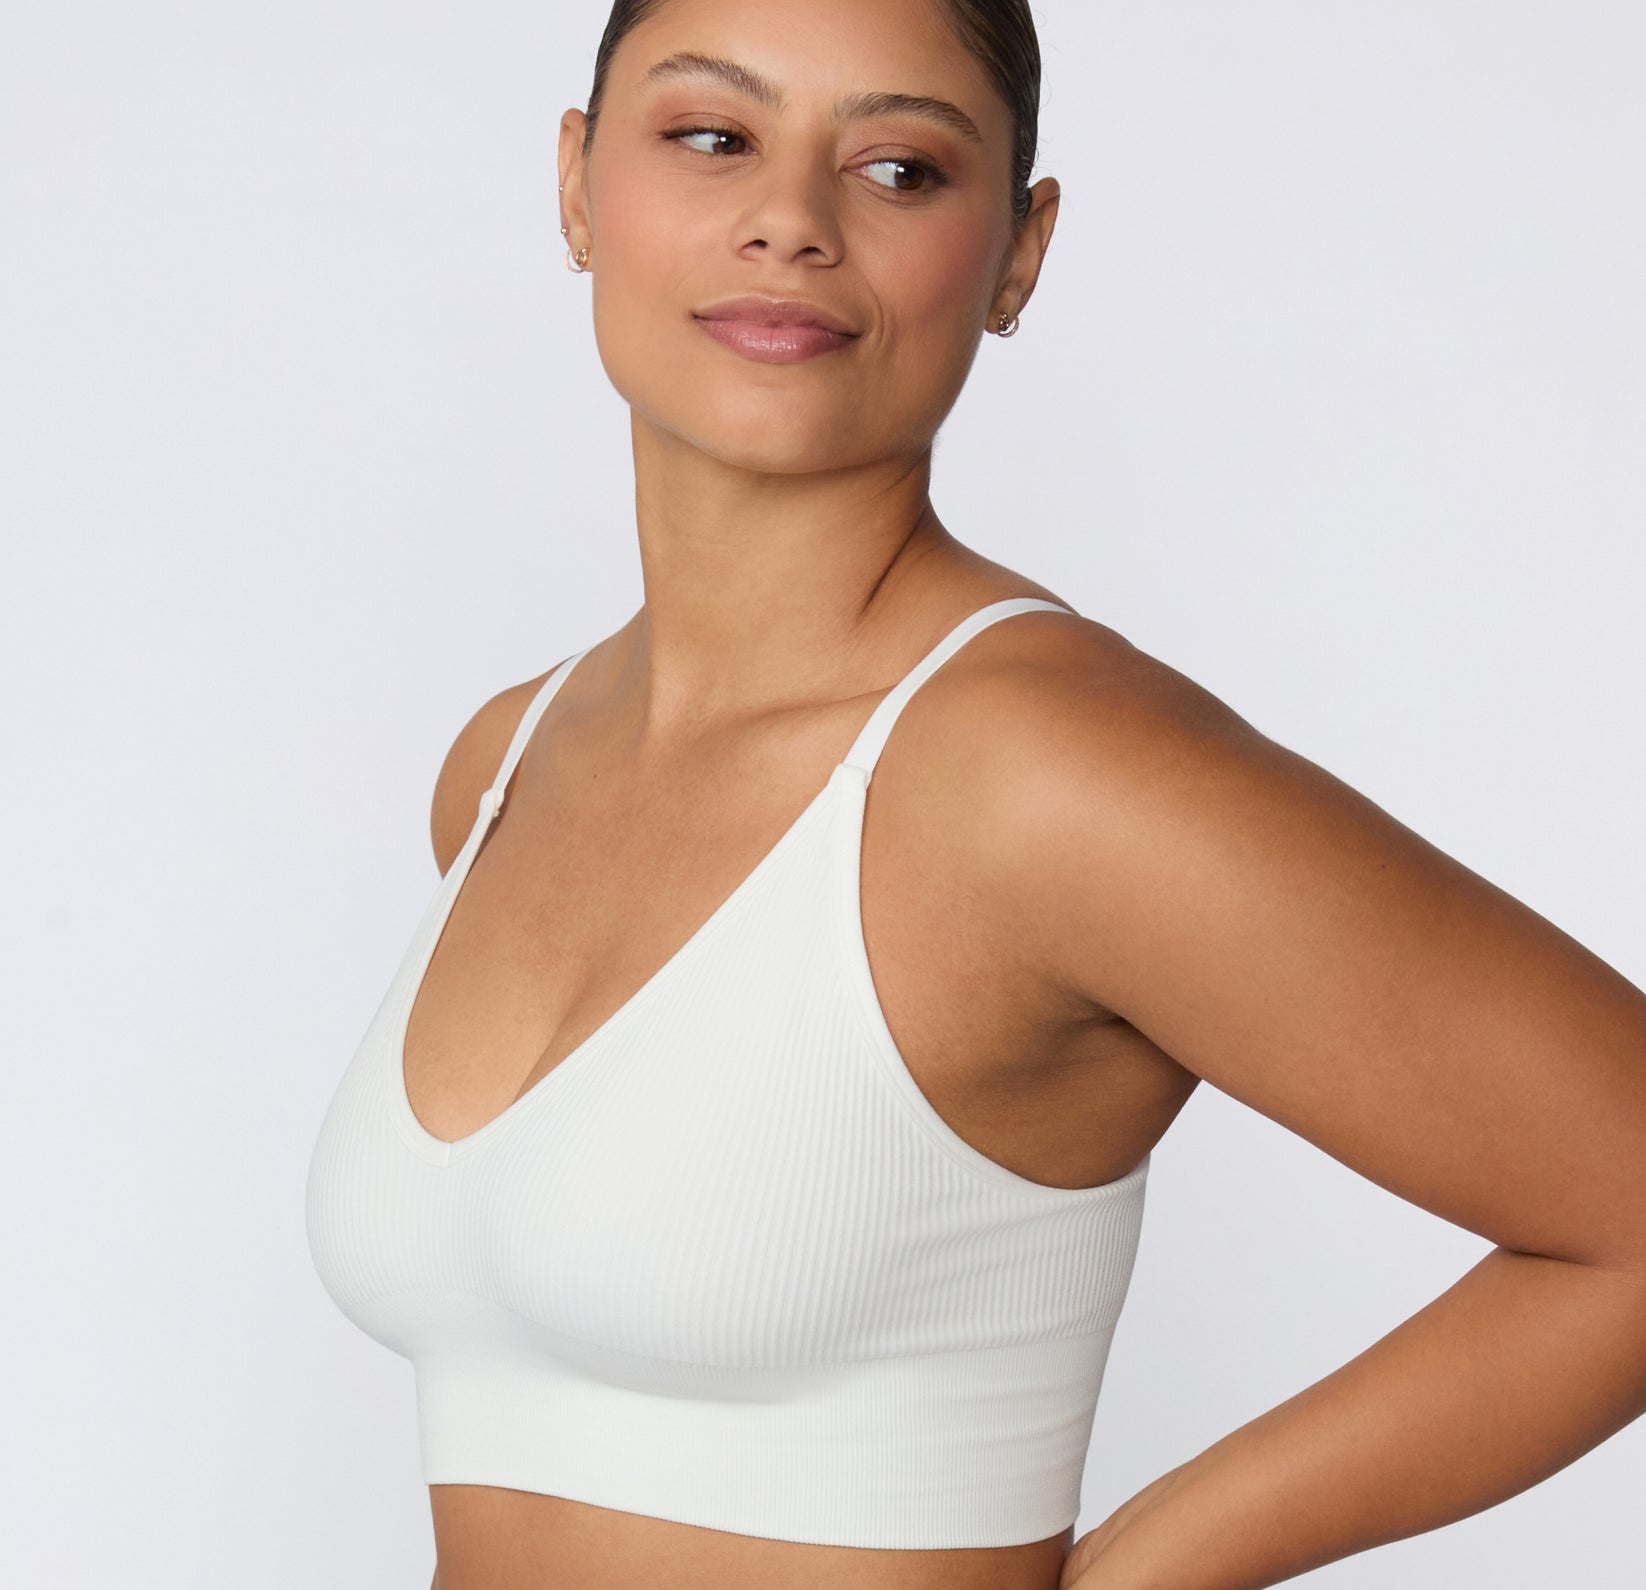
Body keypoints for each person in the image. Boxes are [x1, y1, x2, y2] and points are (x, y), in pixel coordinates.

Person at [304, 2, 1646, 1587]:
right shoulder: (507, 759)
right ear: (580, 185)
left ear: (1016, 252)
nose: (789, 221)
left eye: (897, 166)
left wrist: (1136, 1572)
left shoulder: (1042, 771)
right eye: (712, 136)